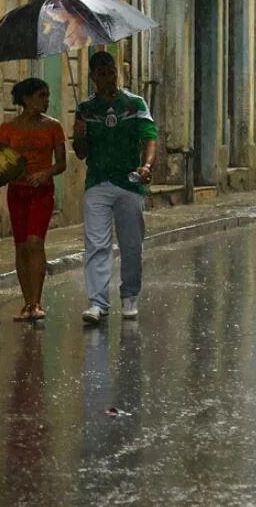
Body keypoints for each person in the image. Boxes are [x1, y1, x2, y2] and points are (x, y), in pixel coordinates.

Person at [72, 50, 158, 325]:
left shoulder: (134, 103)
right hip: (98, 182)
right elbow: (81, 153)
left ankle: (130, 295)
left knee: (131, 244)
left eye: (111, 72)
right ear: (93, 77)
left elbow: (149, 136)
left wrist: (146, 166)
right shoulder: (86, 109)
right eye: (102, 74)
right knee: (96, 244)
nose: (108, 78)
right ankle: (97, 303)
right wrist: (80, 135)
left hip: (129, 182)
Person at [0, 77, 66, 322]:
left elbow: (61, 164)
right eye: (41, 96)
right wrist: (14, 172)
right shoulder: (8, 129)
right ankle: (26, 302)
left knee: (36, 242)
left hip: (42, 192)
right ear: (26, 99)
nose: (47, 101)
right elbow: (1, 162)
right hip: (17, 192)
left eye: (47, 96)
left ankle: (37, 301)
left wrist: (45, 172)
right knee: (21, 246)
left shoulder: (53, 127)